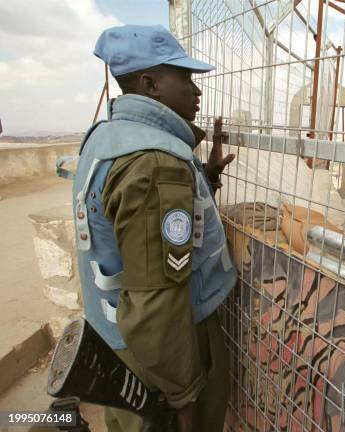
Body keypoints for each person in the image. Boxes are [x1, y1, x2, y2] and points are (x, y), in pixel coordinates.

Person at [72, 24, 237, 432]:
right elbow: (157, 302)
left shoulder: (107, 137)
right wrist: (184, 398)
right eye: (184, 77)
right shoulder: (155, 162)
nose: (196, 91)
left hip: (122, 346)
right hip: (158, 361)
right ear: (150, 84)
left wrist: (205, 177)